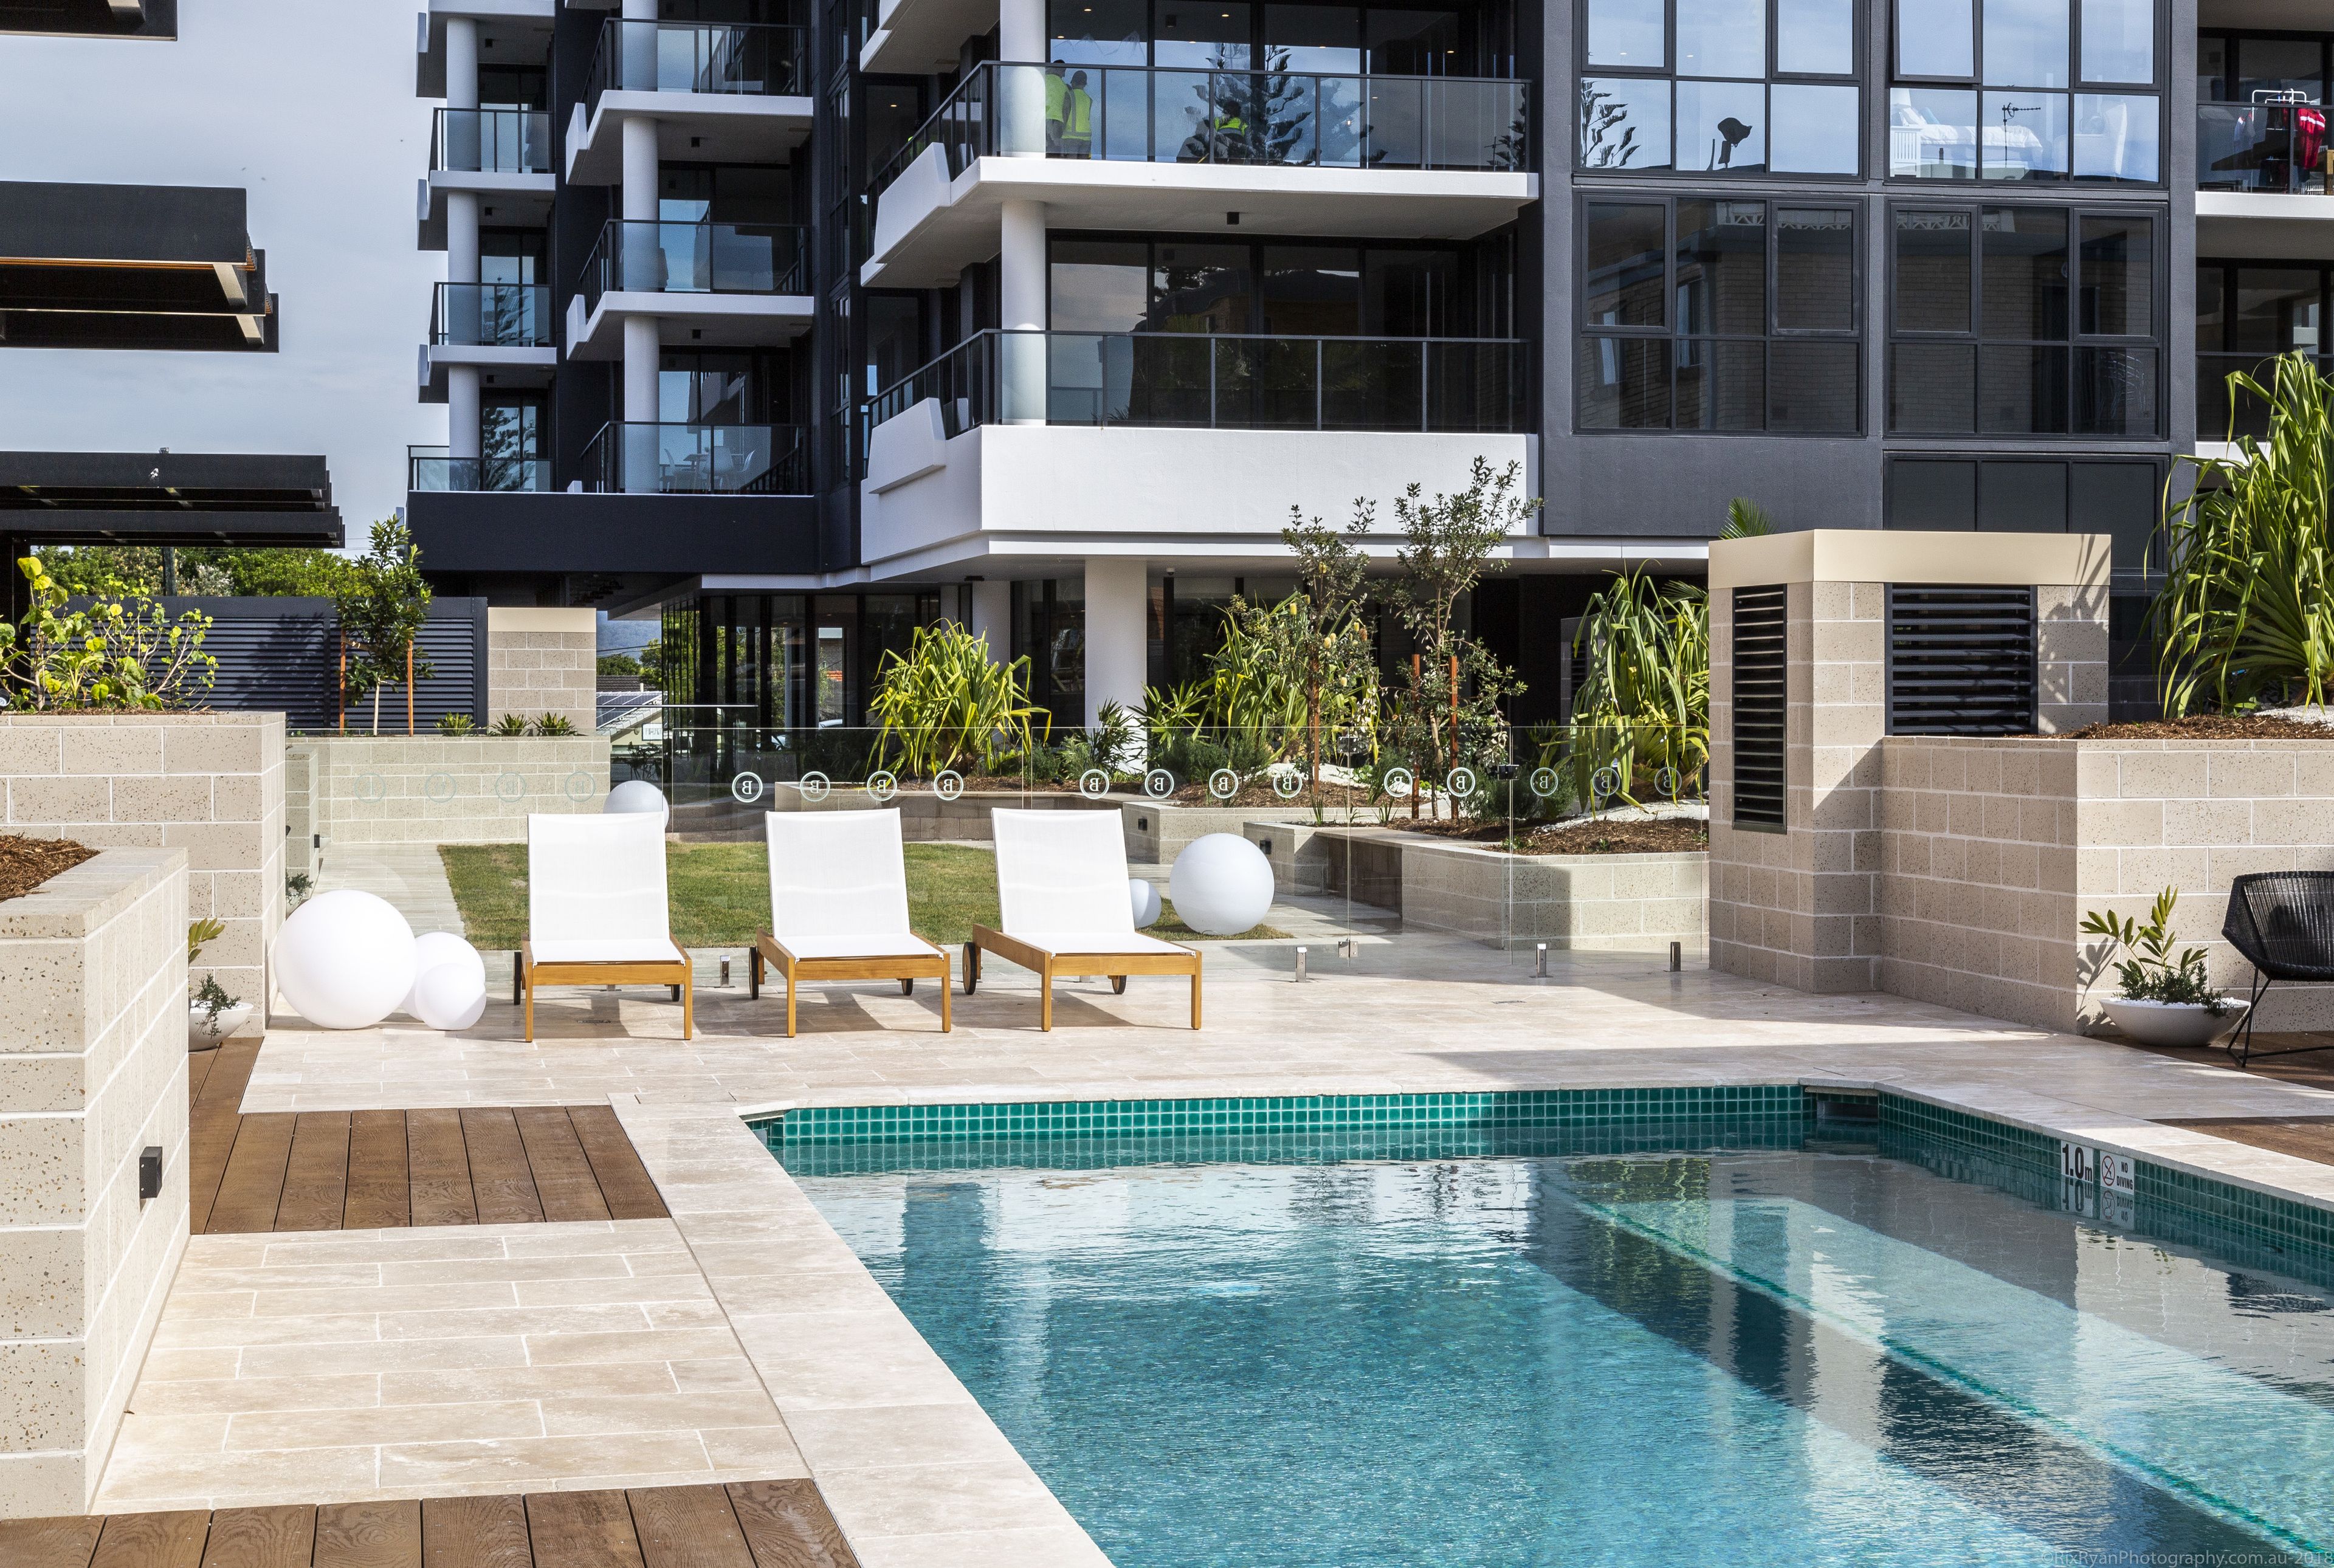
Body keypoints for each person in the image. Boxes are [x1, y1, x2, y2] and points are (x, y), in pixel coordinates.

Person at [1061, 70, 1095, 159]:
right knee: (1083, 169)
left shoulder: (1069, 95)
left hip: (1070, 138)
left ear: (1073, 82)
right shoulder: (1089, 99)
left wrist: (1058, 133)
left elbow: (1065, 115)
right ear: (1084, 84)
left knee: (1070, 168)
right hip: (1086, 139)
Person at [1045, 60, 1069, 154]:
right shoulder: (1064, 87)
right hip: (1057, 121)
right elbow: (1066, 109)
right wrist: (1065, 127)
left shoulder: (1042, 80)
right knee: (1054, 149)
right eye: (1063, 72)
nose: (1063, 76)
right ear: (1060, 71)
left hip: (1041, 119)